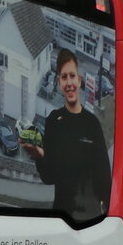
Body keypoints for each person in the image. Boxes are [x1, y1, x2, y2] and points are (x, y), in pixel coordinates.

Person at [22, 48, 111, 220]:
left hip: (89, 219)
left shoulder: (92, 123)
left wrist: (106, 218)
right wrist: (39, 156)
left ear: (79, 80)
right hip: (61, 219)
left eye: (72, 76)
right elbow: (49, 177)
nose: (69, 82)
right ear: (59, 82)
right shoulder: (54, 121)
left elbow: (104, 178)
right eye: (64, 77)